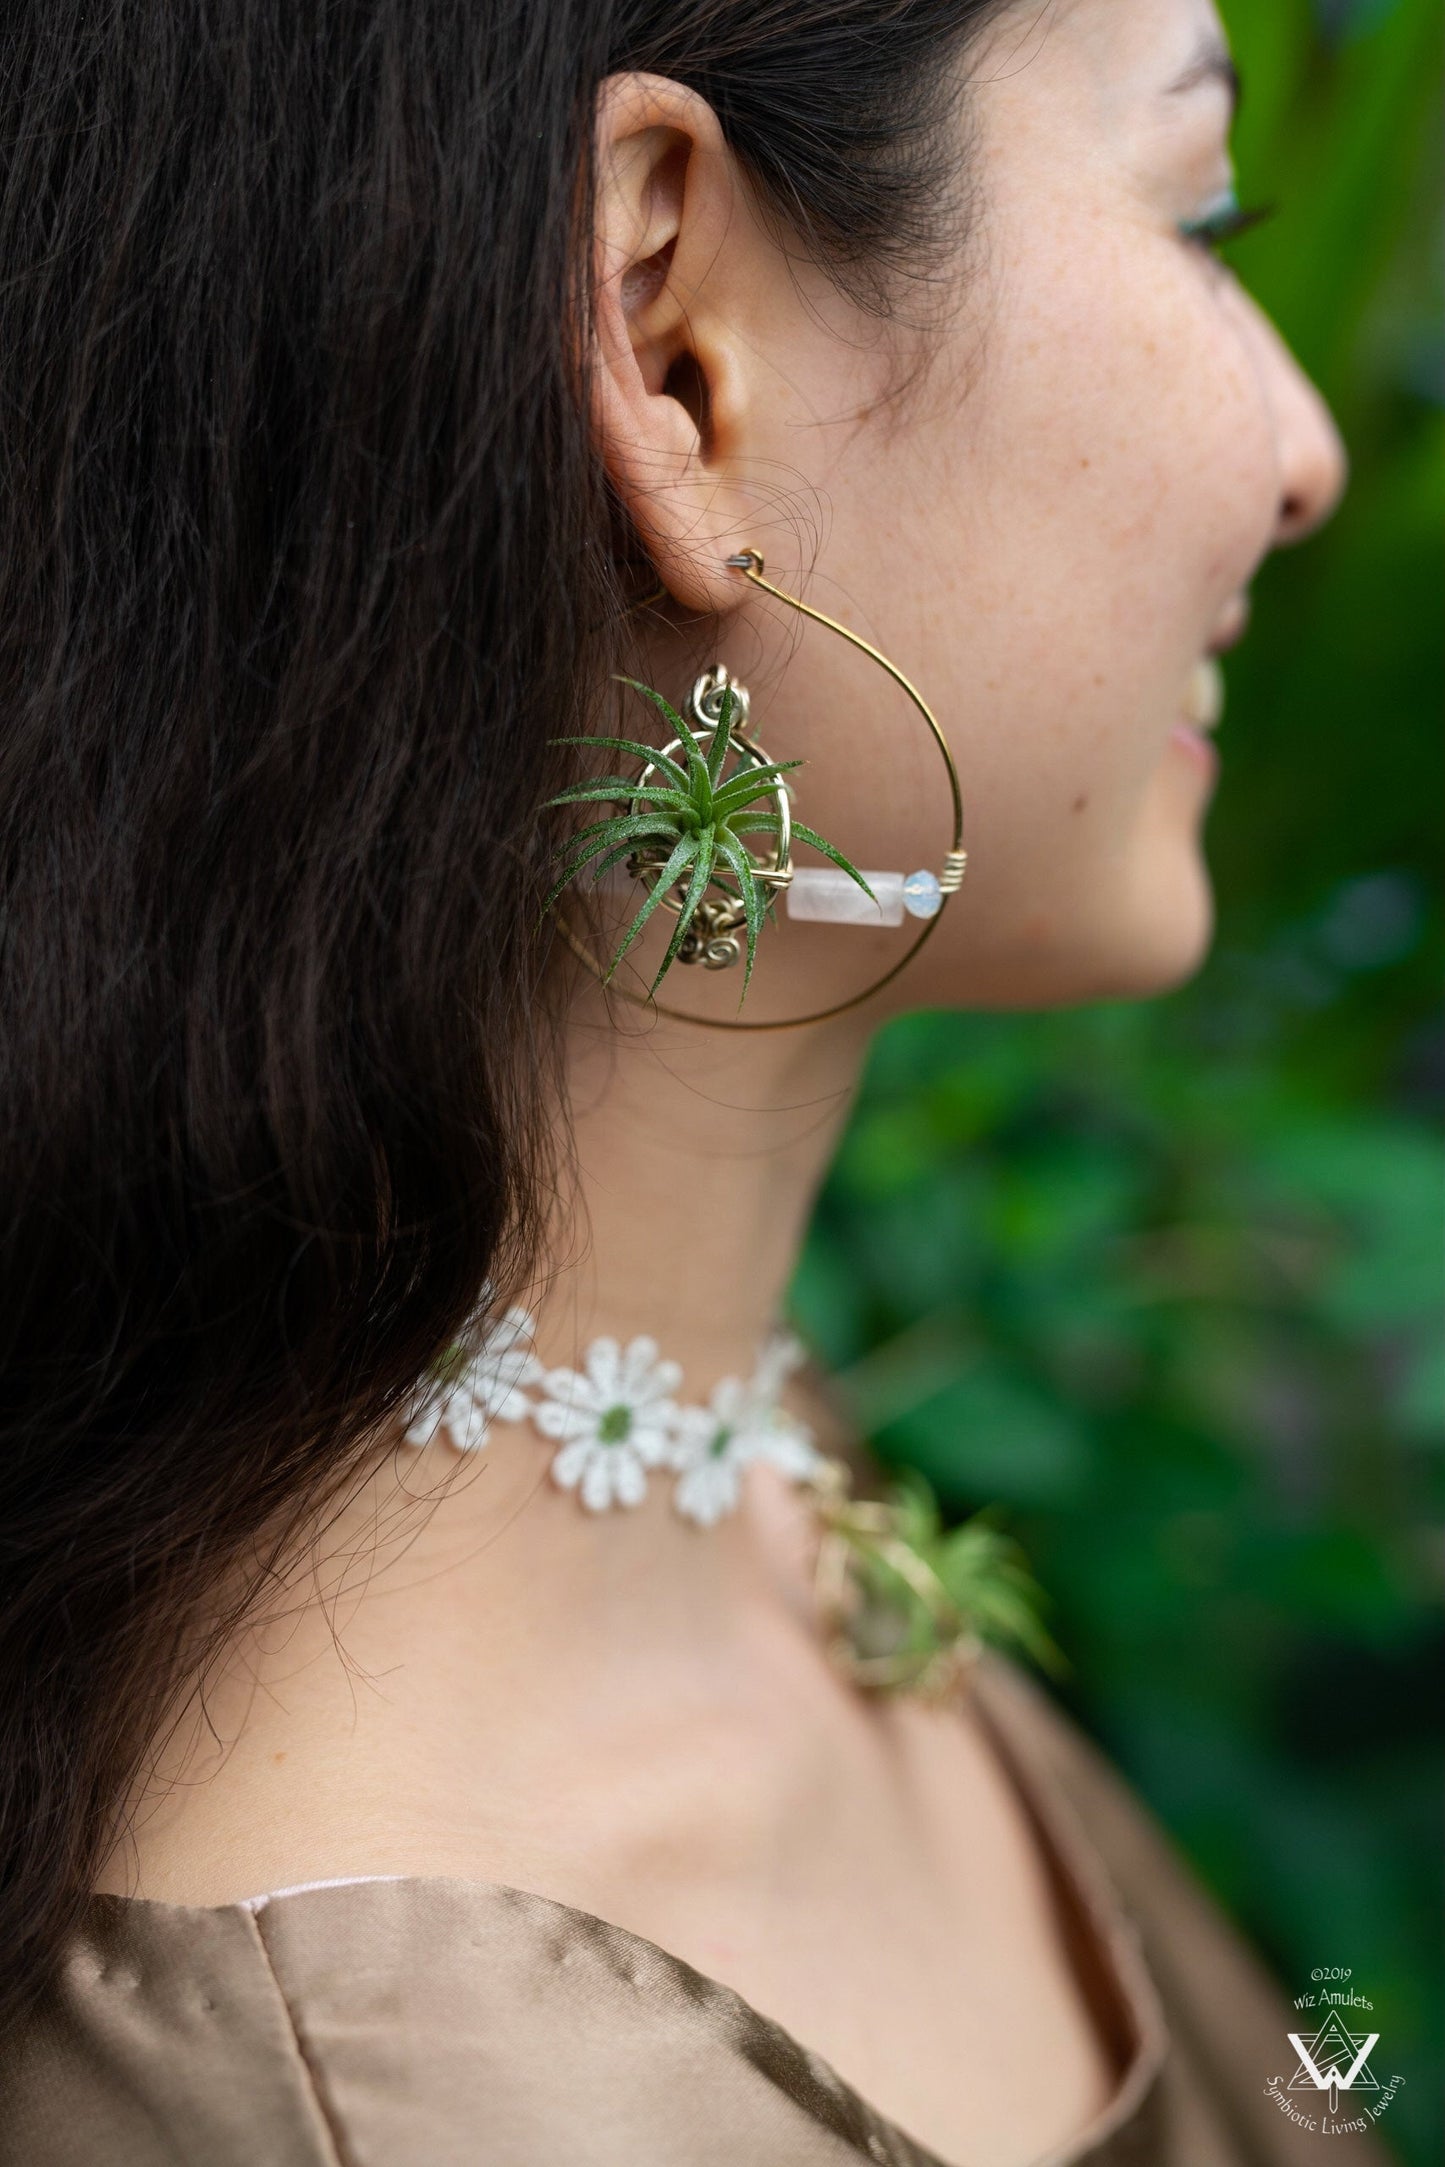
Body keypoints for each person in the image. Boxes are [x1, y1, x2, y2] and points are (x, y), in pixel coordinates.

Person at [0, 2, 1386, 2163]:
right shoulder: (383, 2099)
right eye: (1200, 214)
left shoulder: (739, 1464)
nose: (1306, 449)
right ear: (669, 344)